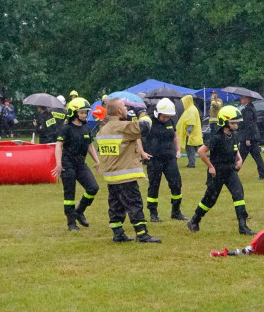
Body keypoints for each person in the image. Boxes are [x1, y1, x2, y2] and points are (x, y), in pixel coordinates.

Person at [96, 98, 159, 243]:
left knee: (115, 206)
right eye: (124, 106)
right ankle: (142, 234)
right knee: (134, 204)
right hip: (125, 176)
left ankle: (118, 233)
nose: (126, 108)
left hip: (111, 177)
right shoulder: (123, 127)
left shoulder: (103, 130)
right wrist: (141, 111)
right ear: (119, 111)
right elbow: (146, 127)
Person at [187, 105, 255, 235]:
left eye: (237, 122)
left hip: (230, 171)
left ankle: (243, 226)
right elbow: (201, 152)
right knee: (210, 199)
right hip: (217, 172)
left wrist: (239, 160)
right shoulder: (216, 137)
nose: (236, 125)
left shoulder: (234, 135)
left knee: (239, 195)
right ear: (225, 122)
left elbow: (236, 149)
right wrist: (211, 167)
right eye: (233, 122)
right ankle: (194, 220)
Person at [53, 97, 101, 231]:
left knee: (93, 188)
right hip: (67, 164)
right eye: (82, 113)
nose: (84, 115)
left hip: (81, 163)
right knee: (70, 194)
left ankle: (79, 211)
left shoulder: (86, 128)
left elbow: (90, 146)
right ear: (74, 113)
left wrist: (97, 160)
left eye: (85, 113)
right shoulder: (66, 128)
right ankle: (71, 223)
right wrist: (58, 163)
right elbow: (58, 146)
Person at [145, 98, 187, 222]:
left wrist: (178, 150)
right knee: (154, 186)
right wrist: (142, 153)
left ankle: (176, 211)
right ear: (158, 113)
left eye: (169, 116)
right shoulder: (149, 122)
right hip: (154, 159)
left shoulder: (170, 122)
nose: (166, 119)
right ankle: (153, 213)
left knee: (176, 184)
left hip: (169, 158)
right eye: (164, 116)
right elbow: (138, 137)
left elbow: (175, 136)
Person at [238, 95, 264, 179]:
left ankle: (232, 173)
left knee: (241, 157)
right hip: (253, 136)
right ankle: (263, 175)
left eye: (243, 98)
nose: (241, 99)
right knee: (256, 157)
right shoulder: (250, 108)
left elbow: (248, 124)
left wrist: (248, 138)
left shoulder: (247, 110)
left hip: (248, 137)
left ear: (247, 100)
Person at [176, 93, 203, 169]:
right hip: (194, 134)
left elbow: (191, 122)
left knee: (190, 149)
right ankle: (191, 162)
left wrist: (188, 132)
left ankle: (191, 163)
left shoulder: (191, 110)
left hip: (191, 134)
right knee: (191, 150)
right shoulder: (192, 108)